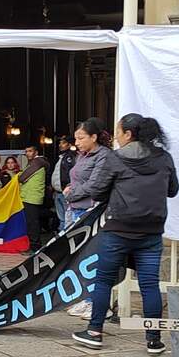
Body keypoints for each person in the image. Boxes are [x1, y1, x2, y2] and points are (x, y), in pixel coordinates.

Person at [71, 114, 179, 354]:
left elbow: (98, 191)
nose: (116, 137)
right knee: (149, 284)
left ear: (129, 134)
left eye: (118, 131)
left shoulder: (115, 159)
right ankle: (154, 340)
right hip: (151, 232)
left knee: (104, 281)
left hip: (118, 230)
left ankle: (94, 332)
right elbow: (173, 190)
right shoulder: (164, 158)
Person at [64, 117, 112, 320]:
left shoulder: (104, 156)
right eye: (76, 138)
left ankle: (95, 302)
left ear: (94, 137)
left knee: (92, 258)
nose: (77, 142)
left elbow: (95, 185)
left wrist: (72, 193)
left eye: (81, 138)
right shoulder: (82, 155)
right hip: (74, 210)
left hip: (89, 211)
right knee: (77, 258)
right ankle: (84, 298)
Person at [18, 146, 49, 251]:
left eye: (30, 151)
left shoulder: (37, 162)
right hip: (30, 196)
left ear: (36, 152)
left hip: (31, 196)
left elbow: (22, 178)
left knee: (32, 223)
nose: (27, 153)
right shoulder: (36, 162)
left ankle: (35, 246)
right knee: (32, 222)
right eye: (26, 151)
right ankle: (33, 244)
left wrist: (18, 176)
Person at [50, 135, 76, 232]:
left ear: (69, 145)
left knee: (66, 217)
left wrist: (69, 186)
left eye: (63, 143)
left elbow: (71, 173)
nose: (60, 145)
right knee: (61, 217)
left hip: (65, 192)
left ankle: (64, 236)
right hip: (58, 192)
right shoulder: (61, 157)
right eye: (60, 143)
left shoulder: (70, 157)